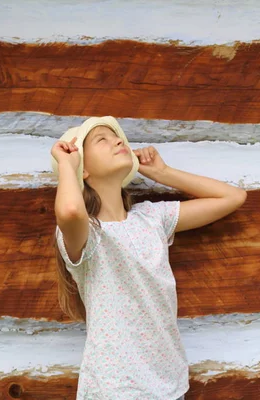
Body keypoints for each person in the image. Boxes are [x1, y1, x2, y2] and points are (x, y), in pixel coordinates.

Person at [50, 116, 246, 399]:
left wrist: (163, 173)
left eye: (117, 137)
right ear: (84, 170)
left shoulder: (151, 218)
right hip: (115, 387)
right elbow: (70, 211)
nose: (118, 140)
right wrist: (67, 167)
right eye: (101, 139)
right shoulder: (89, 233)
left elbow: (233, 197)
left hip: (168, 384)